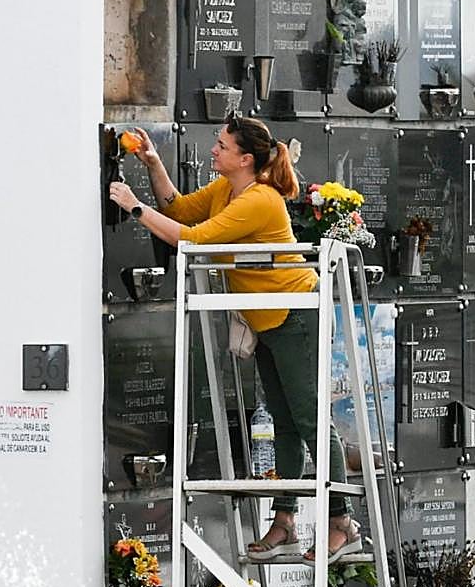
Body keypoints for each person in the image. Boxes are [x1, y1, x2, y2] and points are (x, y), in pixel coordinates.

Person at [108, 118, 360, 563]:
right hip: (268, 320)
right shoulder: (227, 190)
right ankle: (285, 522)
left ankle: (343, 523)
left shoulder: (259, 200)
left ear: (245, 159)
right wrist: (152, 164)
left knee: (310, 419)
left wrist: (134, 207)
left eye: (222, 146)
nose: (213, 150)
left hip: (295, 316)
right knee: (284, 421)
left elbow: (192, 239)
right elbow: (182, 209)